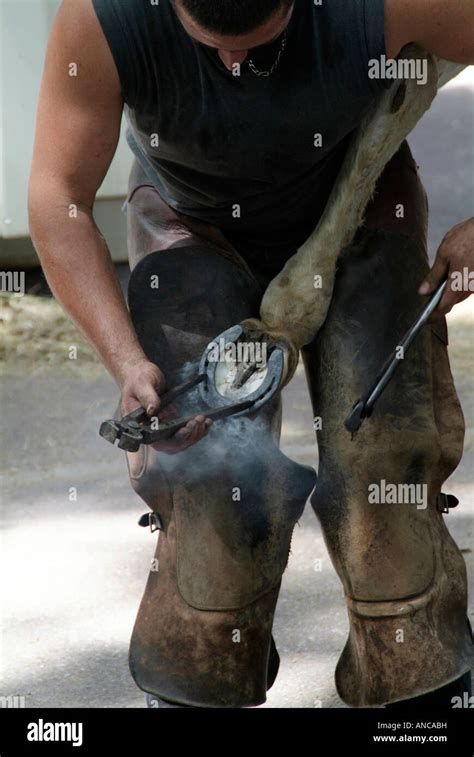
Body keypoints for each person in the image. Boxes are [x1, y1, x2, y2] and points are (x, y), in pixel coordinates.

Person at [28, 0, 474, 708]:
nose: (236, 68)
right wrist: (125, 359)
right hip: (189, 221)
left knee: (380, 476)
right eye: (212, 48)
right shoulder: (103, 17)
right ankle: (198, 680)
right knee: (208, 480)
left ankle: (416, 696)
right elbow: (59, 196)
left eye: (261, 48)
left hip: (358, 205)